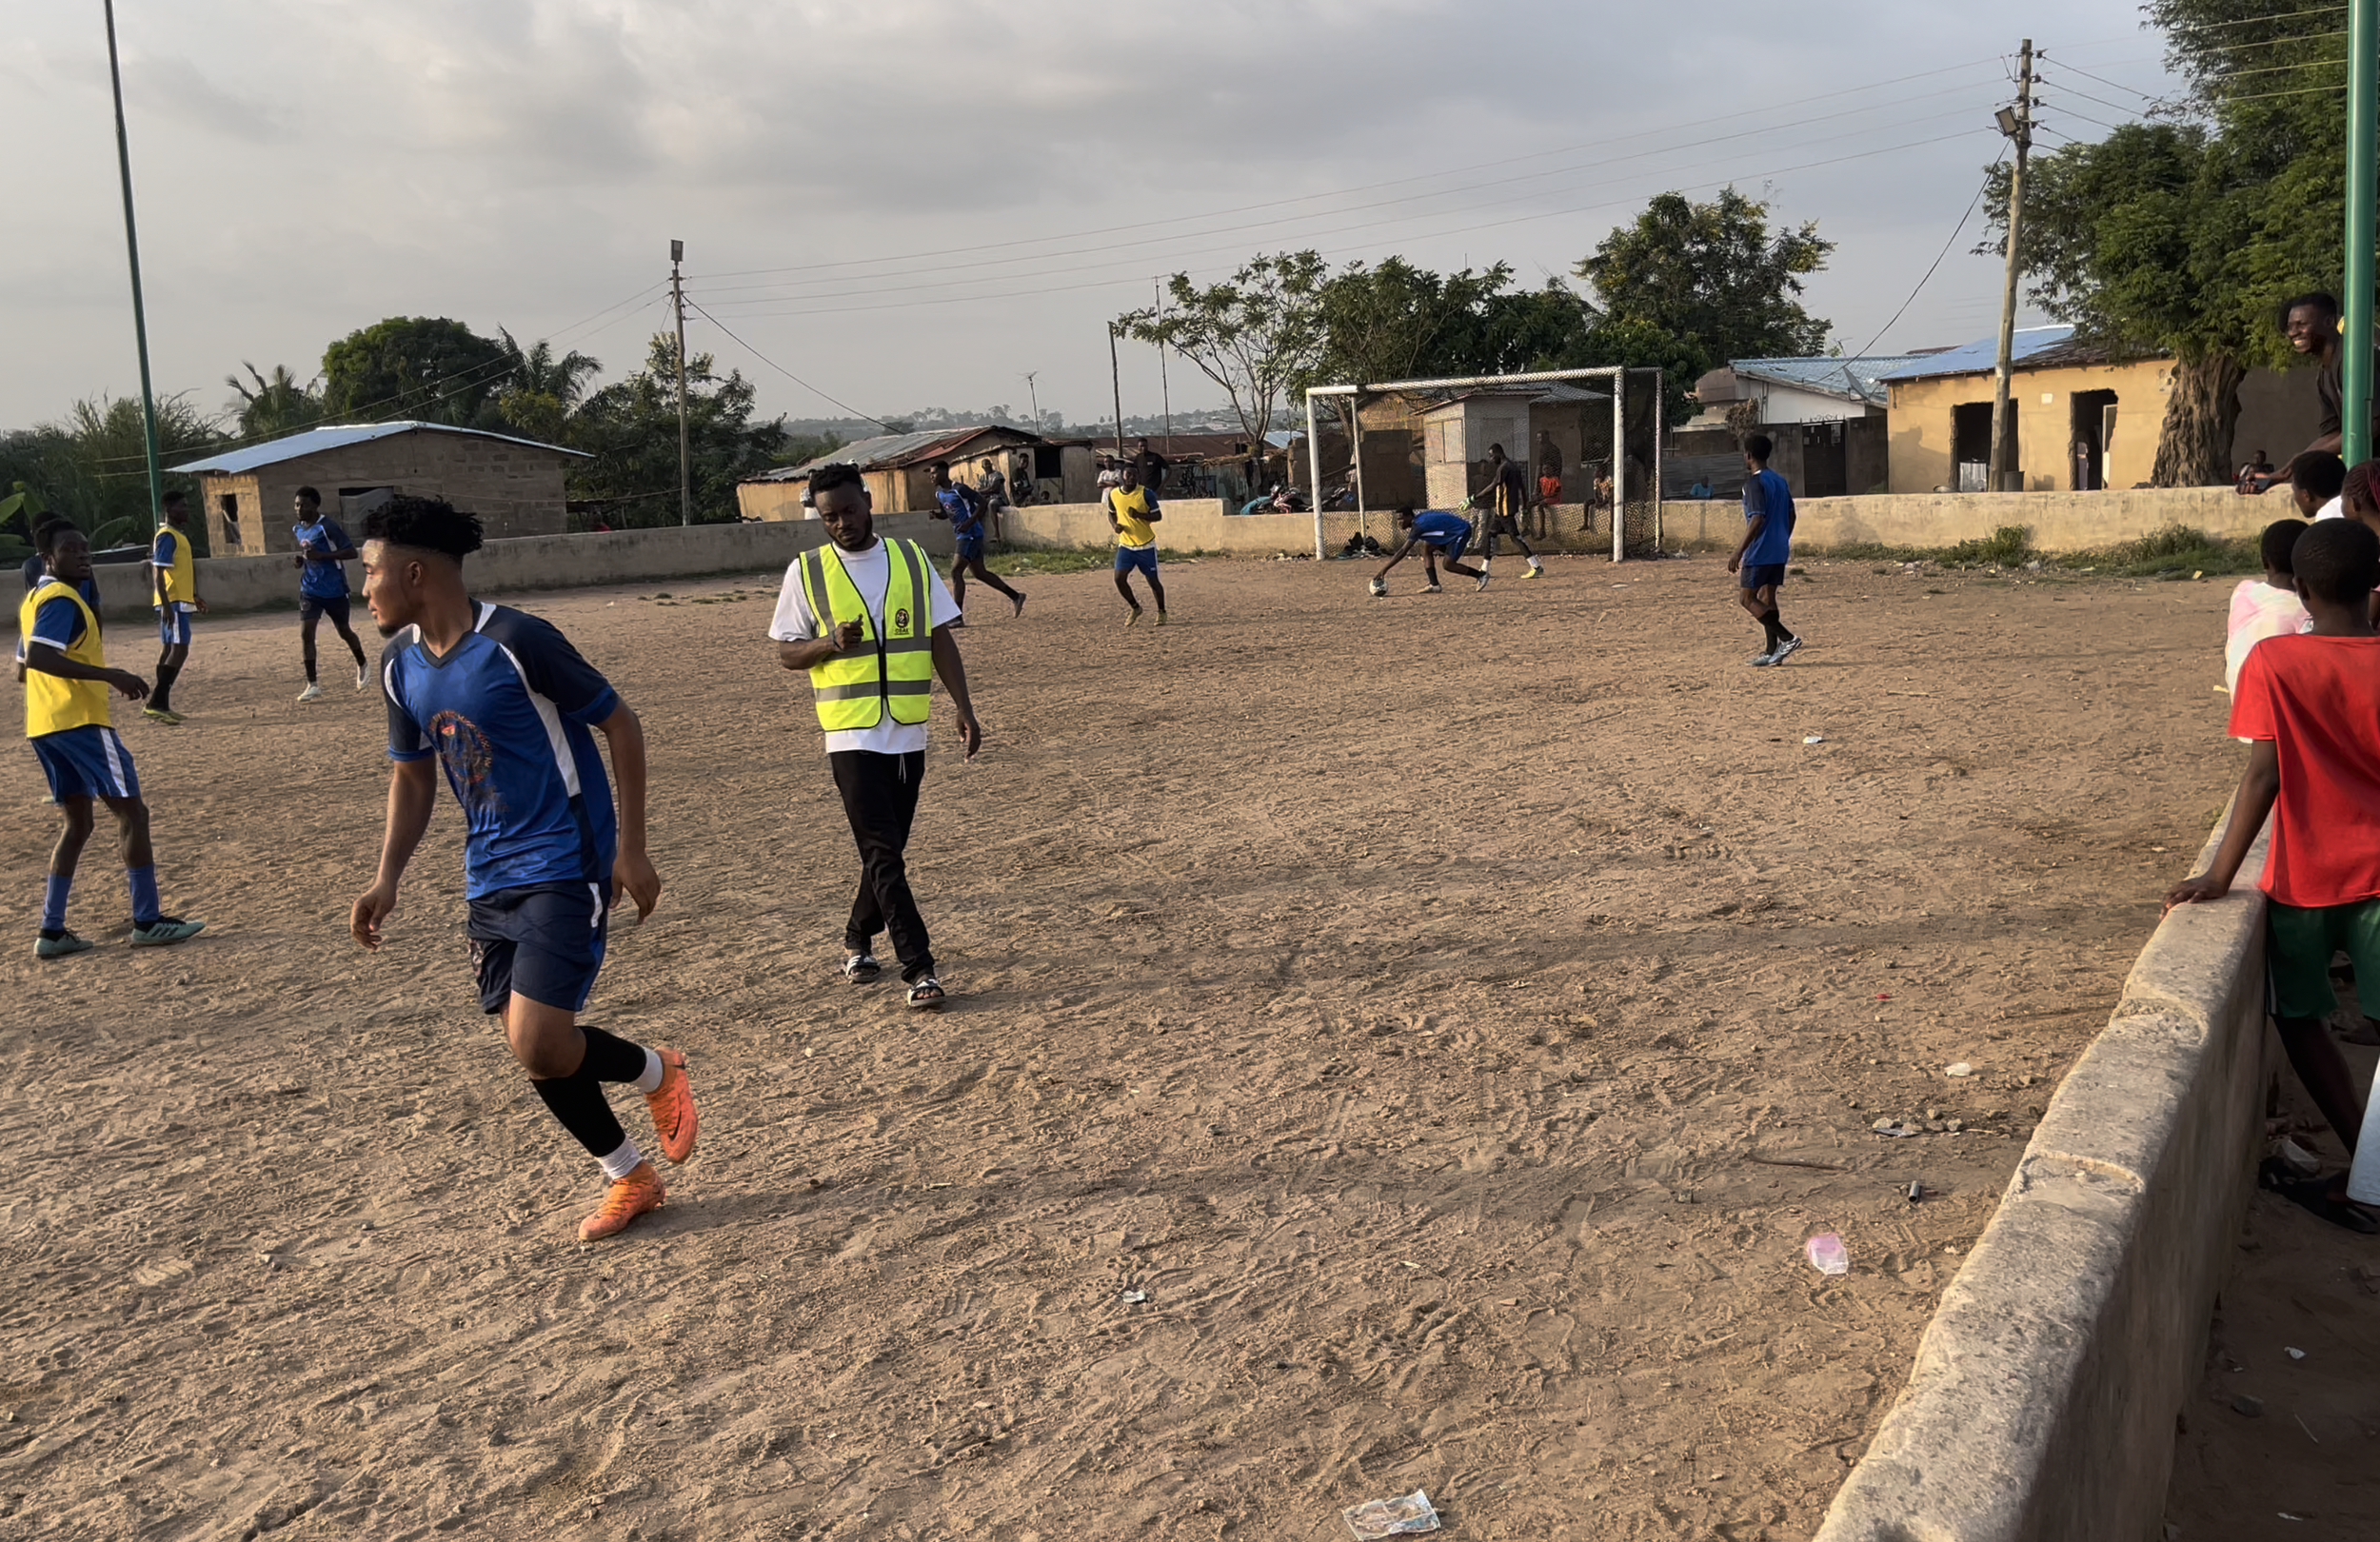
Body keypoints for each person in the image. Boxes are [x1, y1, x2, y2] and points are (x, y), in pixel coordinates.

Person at [349, 494, 695, 1242]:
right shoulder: (398, 665)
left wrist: (629, 847)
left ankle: (656, 1079)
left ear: (413, 574)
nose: (363, 587)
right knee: (534, 1048)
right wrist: (388, 877)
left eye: (370, 571)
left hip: (565, 864)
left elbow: (620, 724)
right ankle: (635, 1160)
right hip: (488, 876)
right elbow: (412, 776)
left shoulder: (517, 639)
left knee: (539, 1038)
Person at [2167, 518, 2380, 1233]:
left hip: (2307, 879)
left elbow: (2263, 777)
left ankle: (2368, 1170)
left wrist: (2219, 875)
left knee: (2301, 1018)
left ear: (2305, 589)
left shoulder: (2276, 662)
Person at [769, 464, 983, 1008]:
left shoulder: (911, 559)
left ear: (868, 502)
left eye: (849, 509)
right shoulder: (806, 572)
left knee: (884, 852)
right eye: (829, 517)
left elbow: (938, 637)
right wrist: (827, 644)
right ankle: (920, 969)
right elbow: (786, 652)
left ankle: (857, 938)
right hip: (850, 735)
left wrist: (963, 706)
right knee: (885, 853)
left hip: (908, 732)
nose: (841, 523)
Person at [20, 522, 205, 958]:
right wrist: (110, 674)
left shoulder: (33, 599)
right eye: (71, 549)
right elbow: (40, 657)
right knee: (133, 813)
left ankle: (52, 930)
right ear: (49, 558)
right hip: (80, 722)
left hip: (43, 725)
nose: (83, 555)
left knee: (78, 823)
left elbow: (20, 667)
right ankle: (147, 920)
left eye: (86, 549)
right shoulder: (62, 598)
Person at [289, 486, 369, 702]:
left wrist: (322, 556)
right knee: (306, 634)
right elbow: (308, 555)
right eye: (297, 504)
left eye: (303, 504)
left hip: (334, 589)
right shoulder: (298, 529)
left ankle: (362, 662)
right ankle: (312, 684)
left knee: (344, 631)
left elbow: (351, 552)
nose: (299, 509)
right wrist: (301, 560)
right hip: (310, 589)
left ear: (315, 505)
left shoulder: (328, 527)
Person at [1730, 433, 1802, 666]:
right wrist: (1783, 538)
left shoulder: (1753, 483)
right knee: (1767, 597)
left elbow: (1757, 518)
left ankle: (1787, 638)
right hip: (1779, 549)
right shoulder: (1780, 481)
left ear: (1748, 456)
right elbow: (1792, 514)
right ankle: (1772, 652)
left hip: (1760, 550)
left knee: (1747, 598)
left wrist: (1738, 551)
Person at [2226, 519, 2313, 702]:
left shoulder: (2243, 592)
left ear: (2265, 562)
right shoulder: (2305, 612)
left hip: (2243, 715)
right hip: (2281, 720)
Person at [929, 460, 1024, 624]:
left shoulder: (959, 489)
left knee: (955, 572)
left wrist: (970, 522)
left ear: (944, 473)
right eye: (930, 474)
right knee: (980, 573)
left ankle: (957, 617)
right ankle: (1016, 596)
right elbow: (947, 513)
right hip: (963, 535)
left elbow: (982, 502)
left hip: (971, 534)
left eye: (934, 473)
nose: (931, 477)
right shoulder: (939, 494)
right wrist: (937, 515)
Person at [143, 489, 206, 724]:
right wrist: (168, 606)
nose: (186, 510)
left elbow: (178, 572)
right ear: (169, 510)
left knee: (170, 649)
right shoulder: (167, 536)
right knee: (180, 649)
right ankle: (156, 702)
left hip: (180, 600)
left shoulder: (177, 536)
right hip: (173, 602)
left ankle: (161, 703)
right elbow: (158, 572)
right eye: (183, 506)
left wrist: (194, 596)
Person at [1465, 443, 1545, 581]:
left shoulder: (1504, 468)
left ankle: (1536, 566)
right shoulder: (1514, 467)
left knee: (1515, 538)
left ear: (1497, 453)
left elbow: (1493, 485)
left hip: (1505, 510)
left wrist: (1473, 498)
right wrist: (1524, 508)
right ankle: (1484, 569)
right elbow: (1523, 488)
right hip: (1503, 509)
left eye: (1491, 455)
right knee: (1490, 535)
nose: (1490, 459)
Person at [1372, 504, 1487, 592]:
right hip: (1451, 533)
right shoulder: (1418, 520)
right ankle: (1434, 585)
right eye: (1397, 520)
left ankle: (1480, 575)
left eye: (1401, 519)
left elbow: (1403, 551)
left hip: (1461, 531)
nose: (1399, 522)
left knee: (1448, 565)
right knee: (1427, 547)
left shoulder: (1418, 527)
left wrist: (1384, 570)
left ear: (1409, 517)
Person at [1104, 463, 1167, 624]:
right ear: (1122, 477)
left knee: (1152, 581)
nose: (1132, 478)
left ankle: (1161, 611)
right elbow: (1111, 513)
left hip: (1145, 545)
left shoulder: (1146, 494)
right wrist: (1115, 525)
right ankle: (1135, 607)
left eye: (1135, 475)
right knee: (1119, 579)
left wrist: (1139, 515)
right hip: (1126, 545)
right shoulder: (1114, 494)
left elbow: (1158, 516)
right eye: (1128, 475)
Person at [2288, 449, 2348, 520]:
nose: (2294, 498)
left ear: (2306, 496)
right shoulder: (2358, 509)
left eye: (2294, 491)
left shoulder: (2326, 520)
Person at [1132, 438, 1169, 511]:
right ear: (1138, 447)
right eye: (1141, 446)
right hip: (1142, 491)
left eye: (1144, 446)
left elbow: (1169, 470)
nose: (1143, 448)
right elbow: (1135, 472)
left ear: (1147, 446)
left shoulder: (1155, 457)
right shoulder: (1137, 458)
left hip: (1155, 490)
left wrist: (1162, 486)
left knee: (1156, 510)